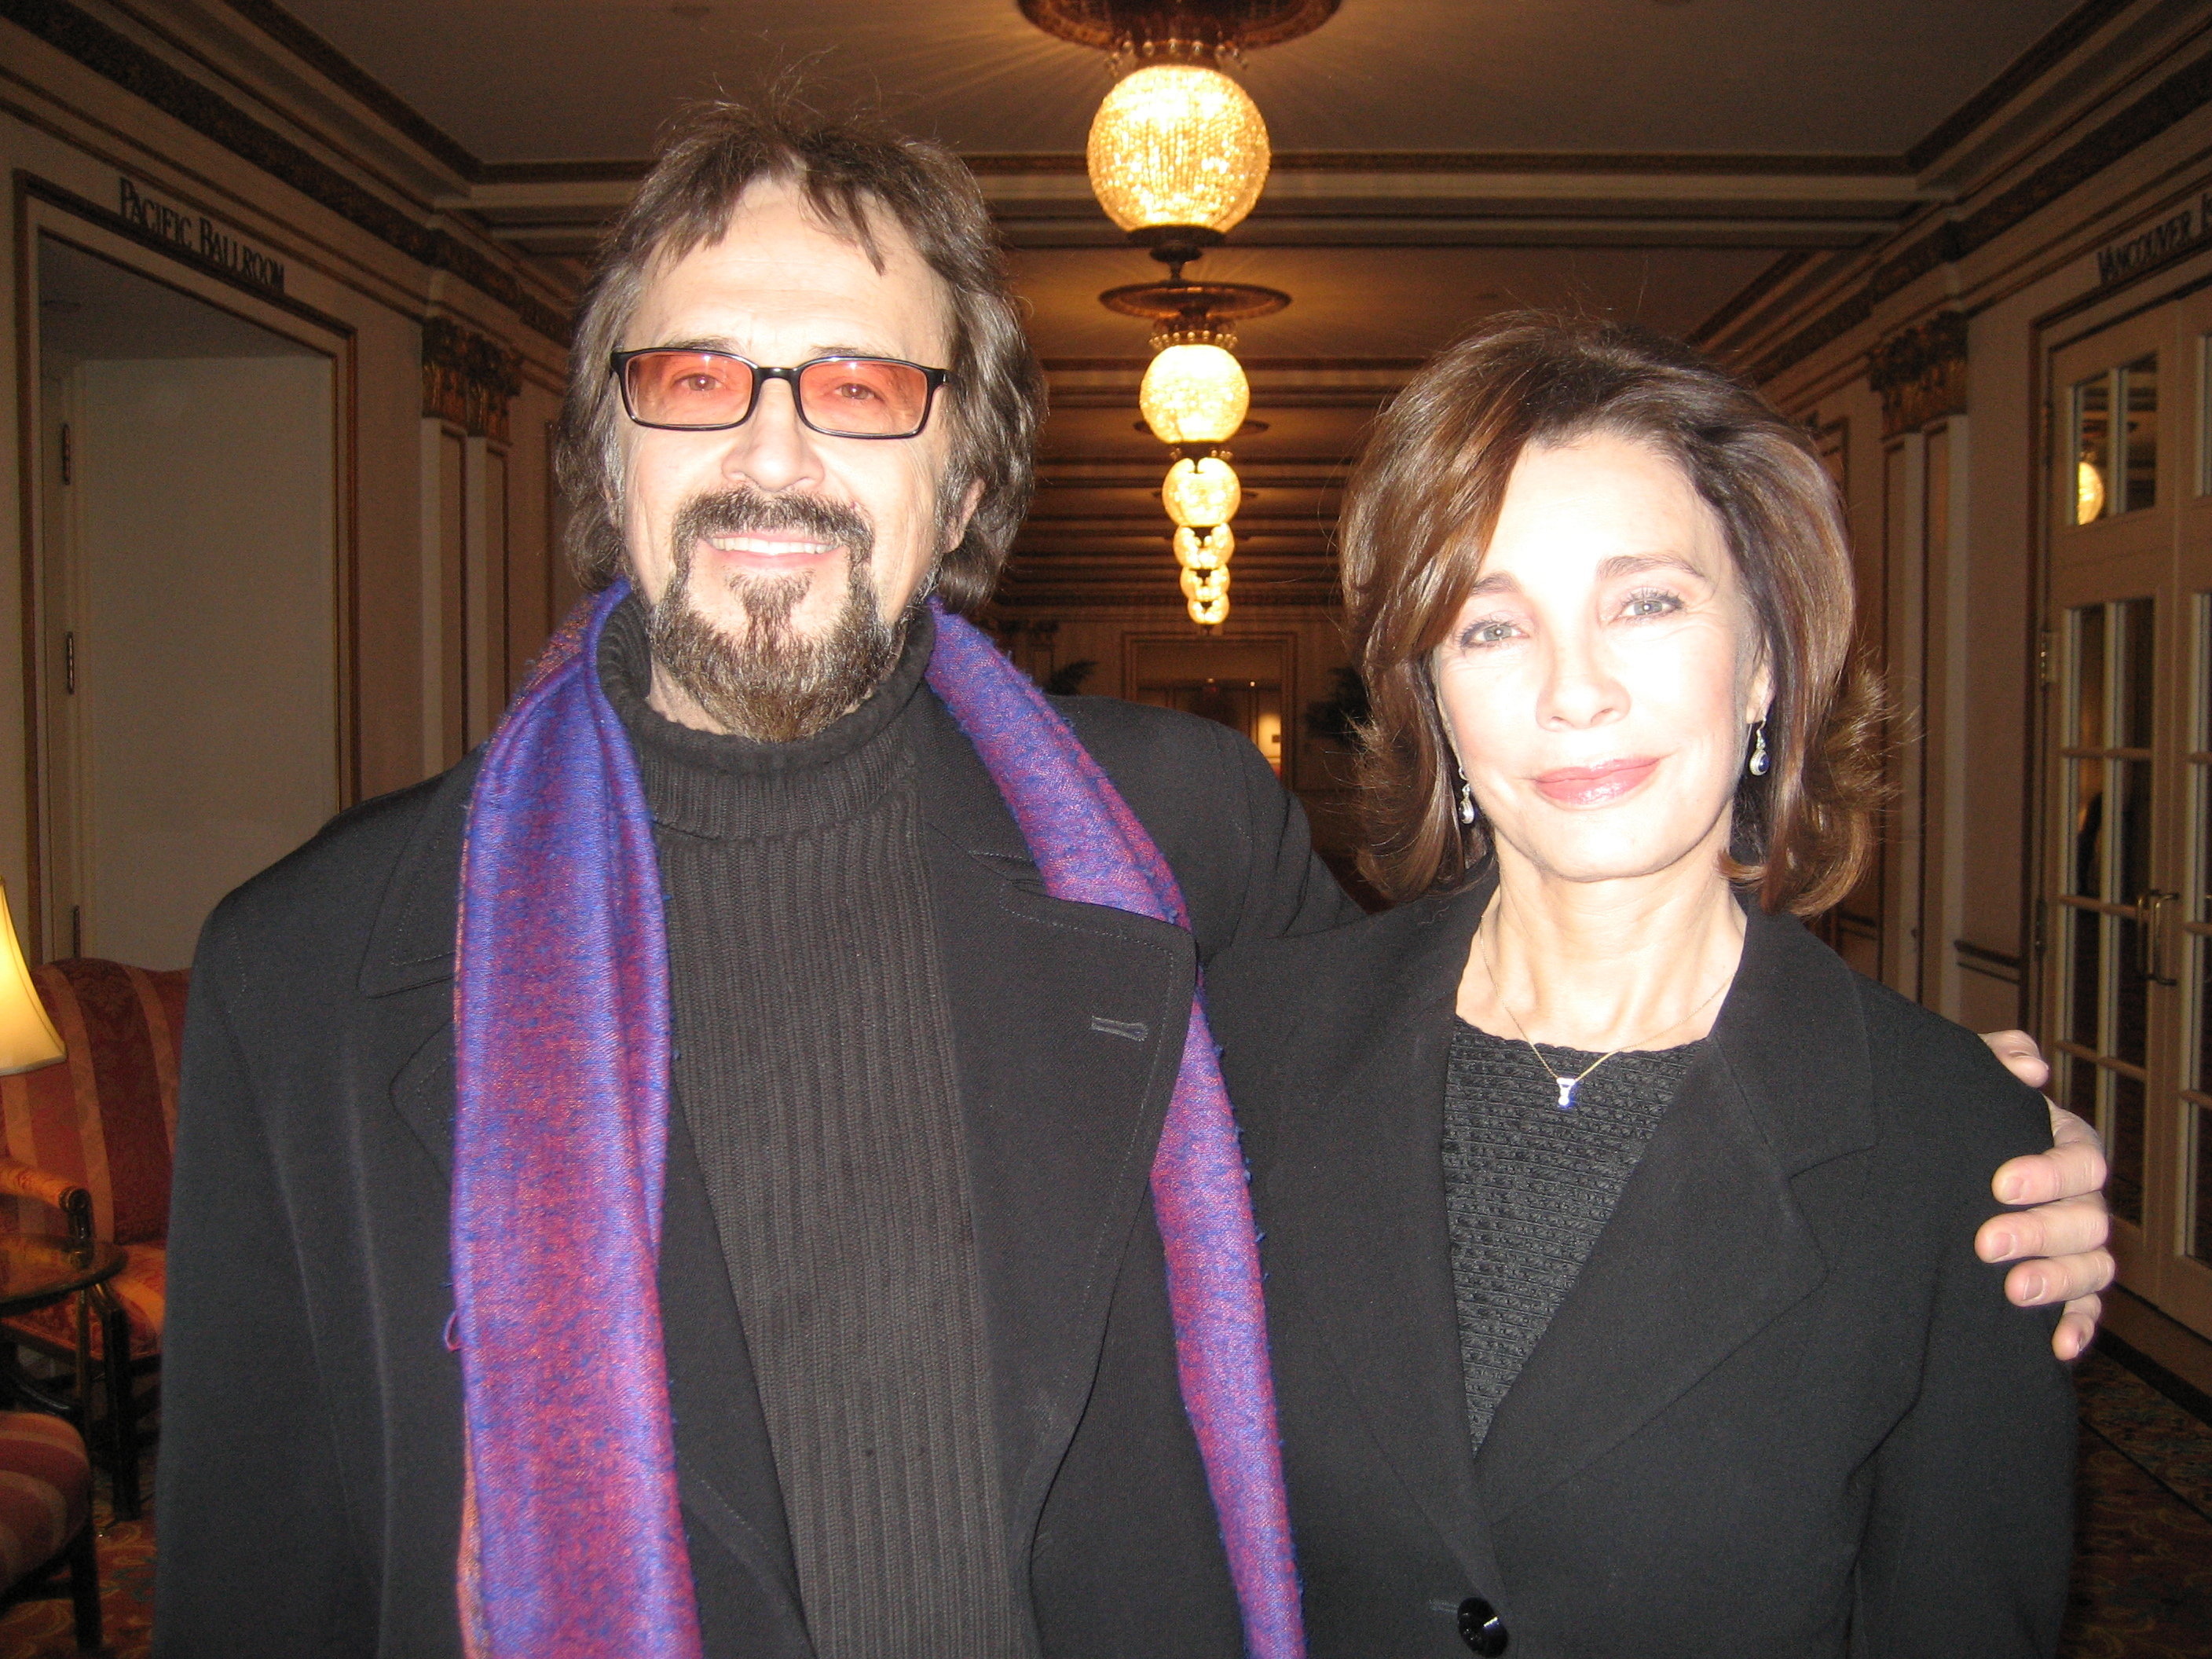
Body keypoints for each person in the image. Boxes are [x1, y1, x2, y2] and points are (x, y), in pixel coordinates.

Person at [153, 103, 2106, 1659]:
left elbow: (1496, 1100)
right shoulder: (314, 975)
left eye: (857, 386)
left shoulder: (1179, 845)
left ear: (966, 472)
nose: (770, 448)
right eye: (694, 378)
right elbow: (259, 1583)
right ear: (606, 434)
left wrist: (1963, 1154)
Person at [1209, 317, 2082, 1658]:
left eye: (1648, 602)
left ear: (1769, 662)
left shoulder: (1952, 1143)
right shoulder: (1247, 1053)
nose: (1575, 692)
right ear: (1433, 697)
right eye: (1491, 627)